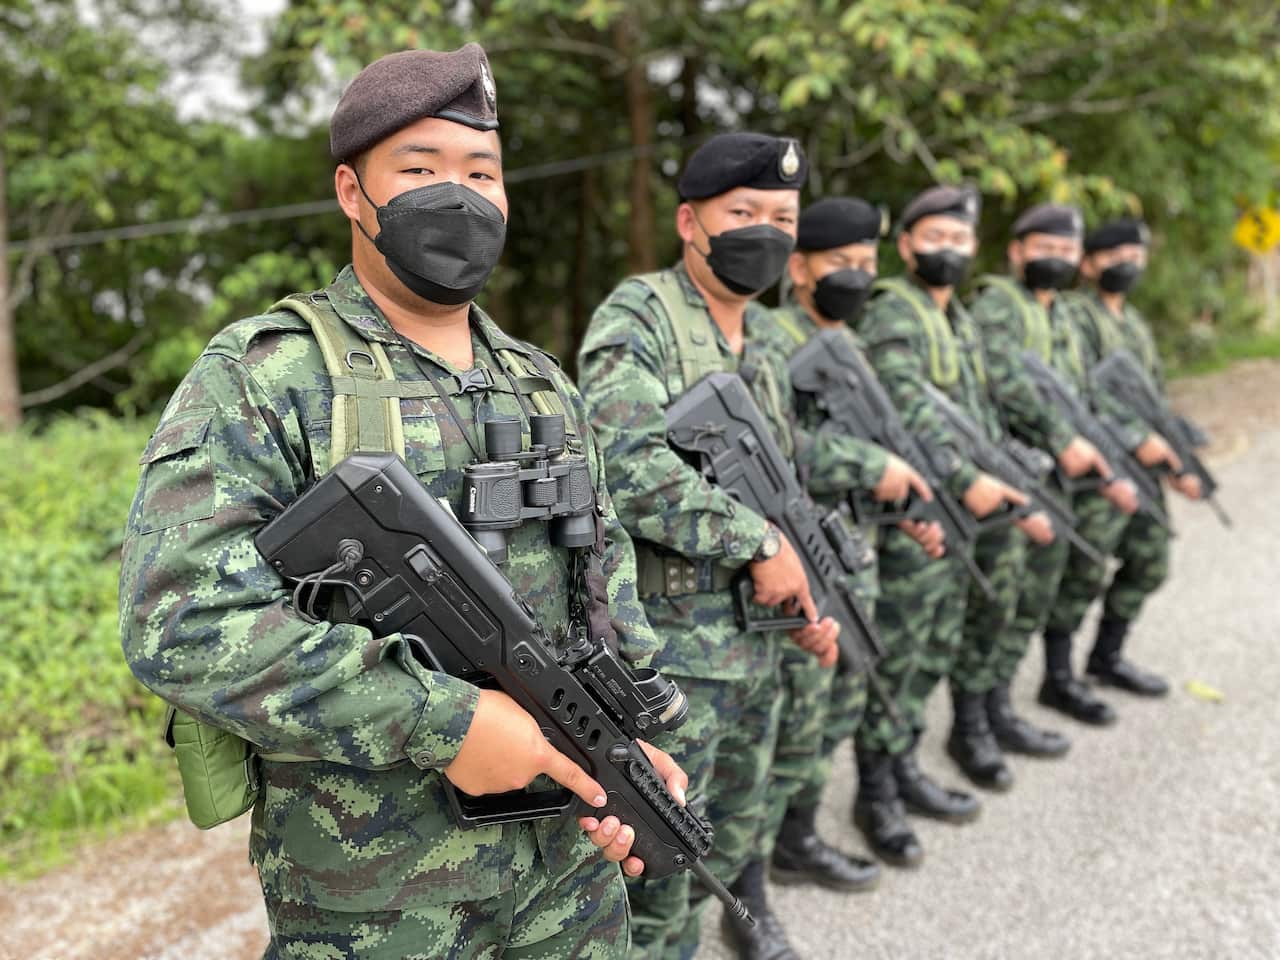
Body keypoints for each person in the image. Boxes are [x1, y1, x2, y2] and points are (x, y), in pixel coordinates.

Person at [118, 45, 687, 959]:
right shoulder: (269, 375)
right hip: (374, 898)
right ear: (354, 193)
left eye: (480, 172)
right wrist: (442, 718)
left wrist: (627, 746)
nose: (456, 194)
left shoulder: (543, 385)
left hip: (567, 879)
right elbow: (179, 619)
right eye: (419, 170)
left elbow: (603, 585)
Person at [577, 134, 890, 960]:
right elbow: (622, 463)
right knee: (662, 857)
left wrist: (809, 602)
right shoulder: (640, 314)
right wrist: (755, 541)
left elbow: (789, 484)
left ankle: (748, 917)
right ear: (690, 221)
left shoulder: (772, 343)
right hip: (674, 653)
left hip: (763, 644)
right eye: (741, 212)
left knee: (744, 810)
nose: (764, 230)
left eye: (781, 217)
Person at [852, 185, 1047, 863]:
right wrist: (968, 480)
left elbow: (974, 411)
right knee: (902, 651)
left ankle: (904, 767)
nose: (951, 251)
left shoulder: (956, 317)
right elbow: (906, 409)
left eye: (961, 240)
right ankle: (876, 790)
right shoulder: (894, 312)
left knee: (935, 643)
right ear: (905, 245)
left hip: (960, 510)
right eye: (936, 237)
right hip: (917, 512)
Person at [760, 196, 944, 894]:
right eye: (842, 263)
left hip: (853, 553)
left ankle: (799, 838)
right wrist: (873, 469)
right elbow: (784, 450)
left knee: (835, 709)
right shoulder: (771, 338)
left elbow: (874, 450)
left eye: (869, 265)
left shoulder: (855, 343)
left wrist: (904, 509)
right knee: (797, 718)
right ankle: (768, 851)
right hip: (794, 564)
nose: (859, 277)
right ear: (800, 267)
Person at [968, 204, 1137, 756]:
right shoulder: (1000, 304)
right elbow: (1004, 379)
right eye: (1045, 248)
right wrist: (1061, 438)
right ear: (1016, 251)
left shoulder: (1062, 313)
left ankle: (1001, 709)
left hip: (1056, 479)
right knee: (1000, 603)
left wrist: (1100, 453)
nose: (1057, 259)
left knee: (1035, 596)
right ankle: (973, 726)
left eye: (1067, 251)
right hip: (1013, 471)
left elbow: (1085, 393)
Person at [1042, 218, 1200, 716]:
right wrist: (1137, 439)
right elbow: (1081, 392)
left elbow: (1151, 397)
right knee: (1084, 571)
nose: (1127, 265)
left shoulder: (1132, 322)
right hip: (1100, 468)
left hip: (1145, 470)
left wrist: (1177, 456)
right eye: (1115, 256)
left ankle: (1107, 656)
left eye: (1136, 255)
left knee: (1151, 559)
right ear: (1088, 264)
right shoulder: (1074, 317)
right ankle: (1058, 676)